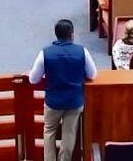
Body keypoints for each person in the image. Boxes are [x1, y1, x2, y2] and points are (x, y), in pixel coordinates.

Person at [28, 19, 97, 161]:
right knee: (69, 134)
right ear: (72, 34)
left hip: (53, 102)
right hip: (74, 102)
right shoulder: (82, 51)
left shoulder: (45, 54)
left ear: (56, 35)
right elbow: (92, 75)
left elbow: (33, 79)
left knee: (49, 131)